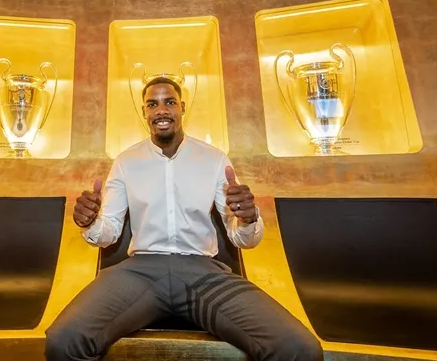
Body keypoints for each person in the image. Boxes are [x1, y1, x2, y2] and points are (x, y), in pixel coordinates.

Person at [45, 77, 323, 360]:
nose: (161, 110)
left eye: (170, 102)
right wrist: (90, 222)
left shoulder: (215, 159)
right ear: (144, 112)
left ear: (182, 107)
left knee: (298, 348)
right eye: (152, 104)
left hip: (203, 273)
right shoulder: (126, 161)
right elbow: (109, 233)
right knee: (64, 340)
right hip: (139, 272)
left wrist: (248, 219)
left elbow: (242, 239)